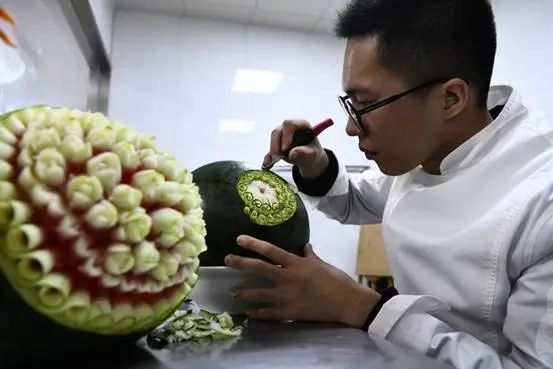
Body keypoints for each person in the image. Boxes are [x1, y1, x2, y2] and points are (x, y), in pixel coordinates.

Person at [224, 0, 553, 368]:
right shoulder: (424, 149)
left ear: (450, 98)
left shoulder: (541, 199)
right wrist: (318, 166)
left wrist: (361, 306)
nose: (351, 127)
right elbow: (356, 200)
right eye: (350, 103)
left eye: (365, 104)